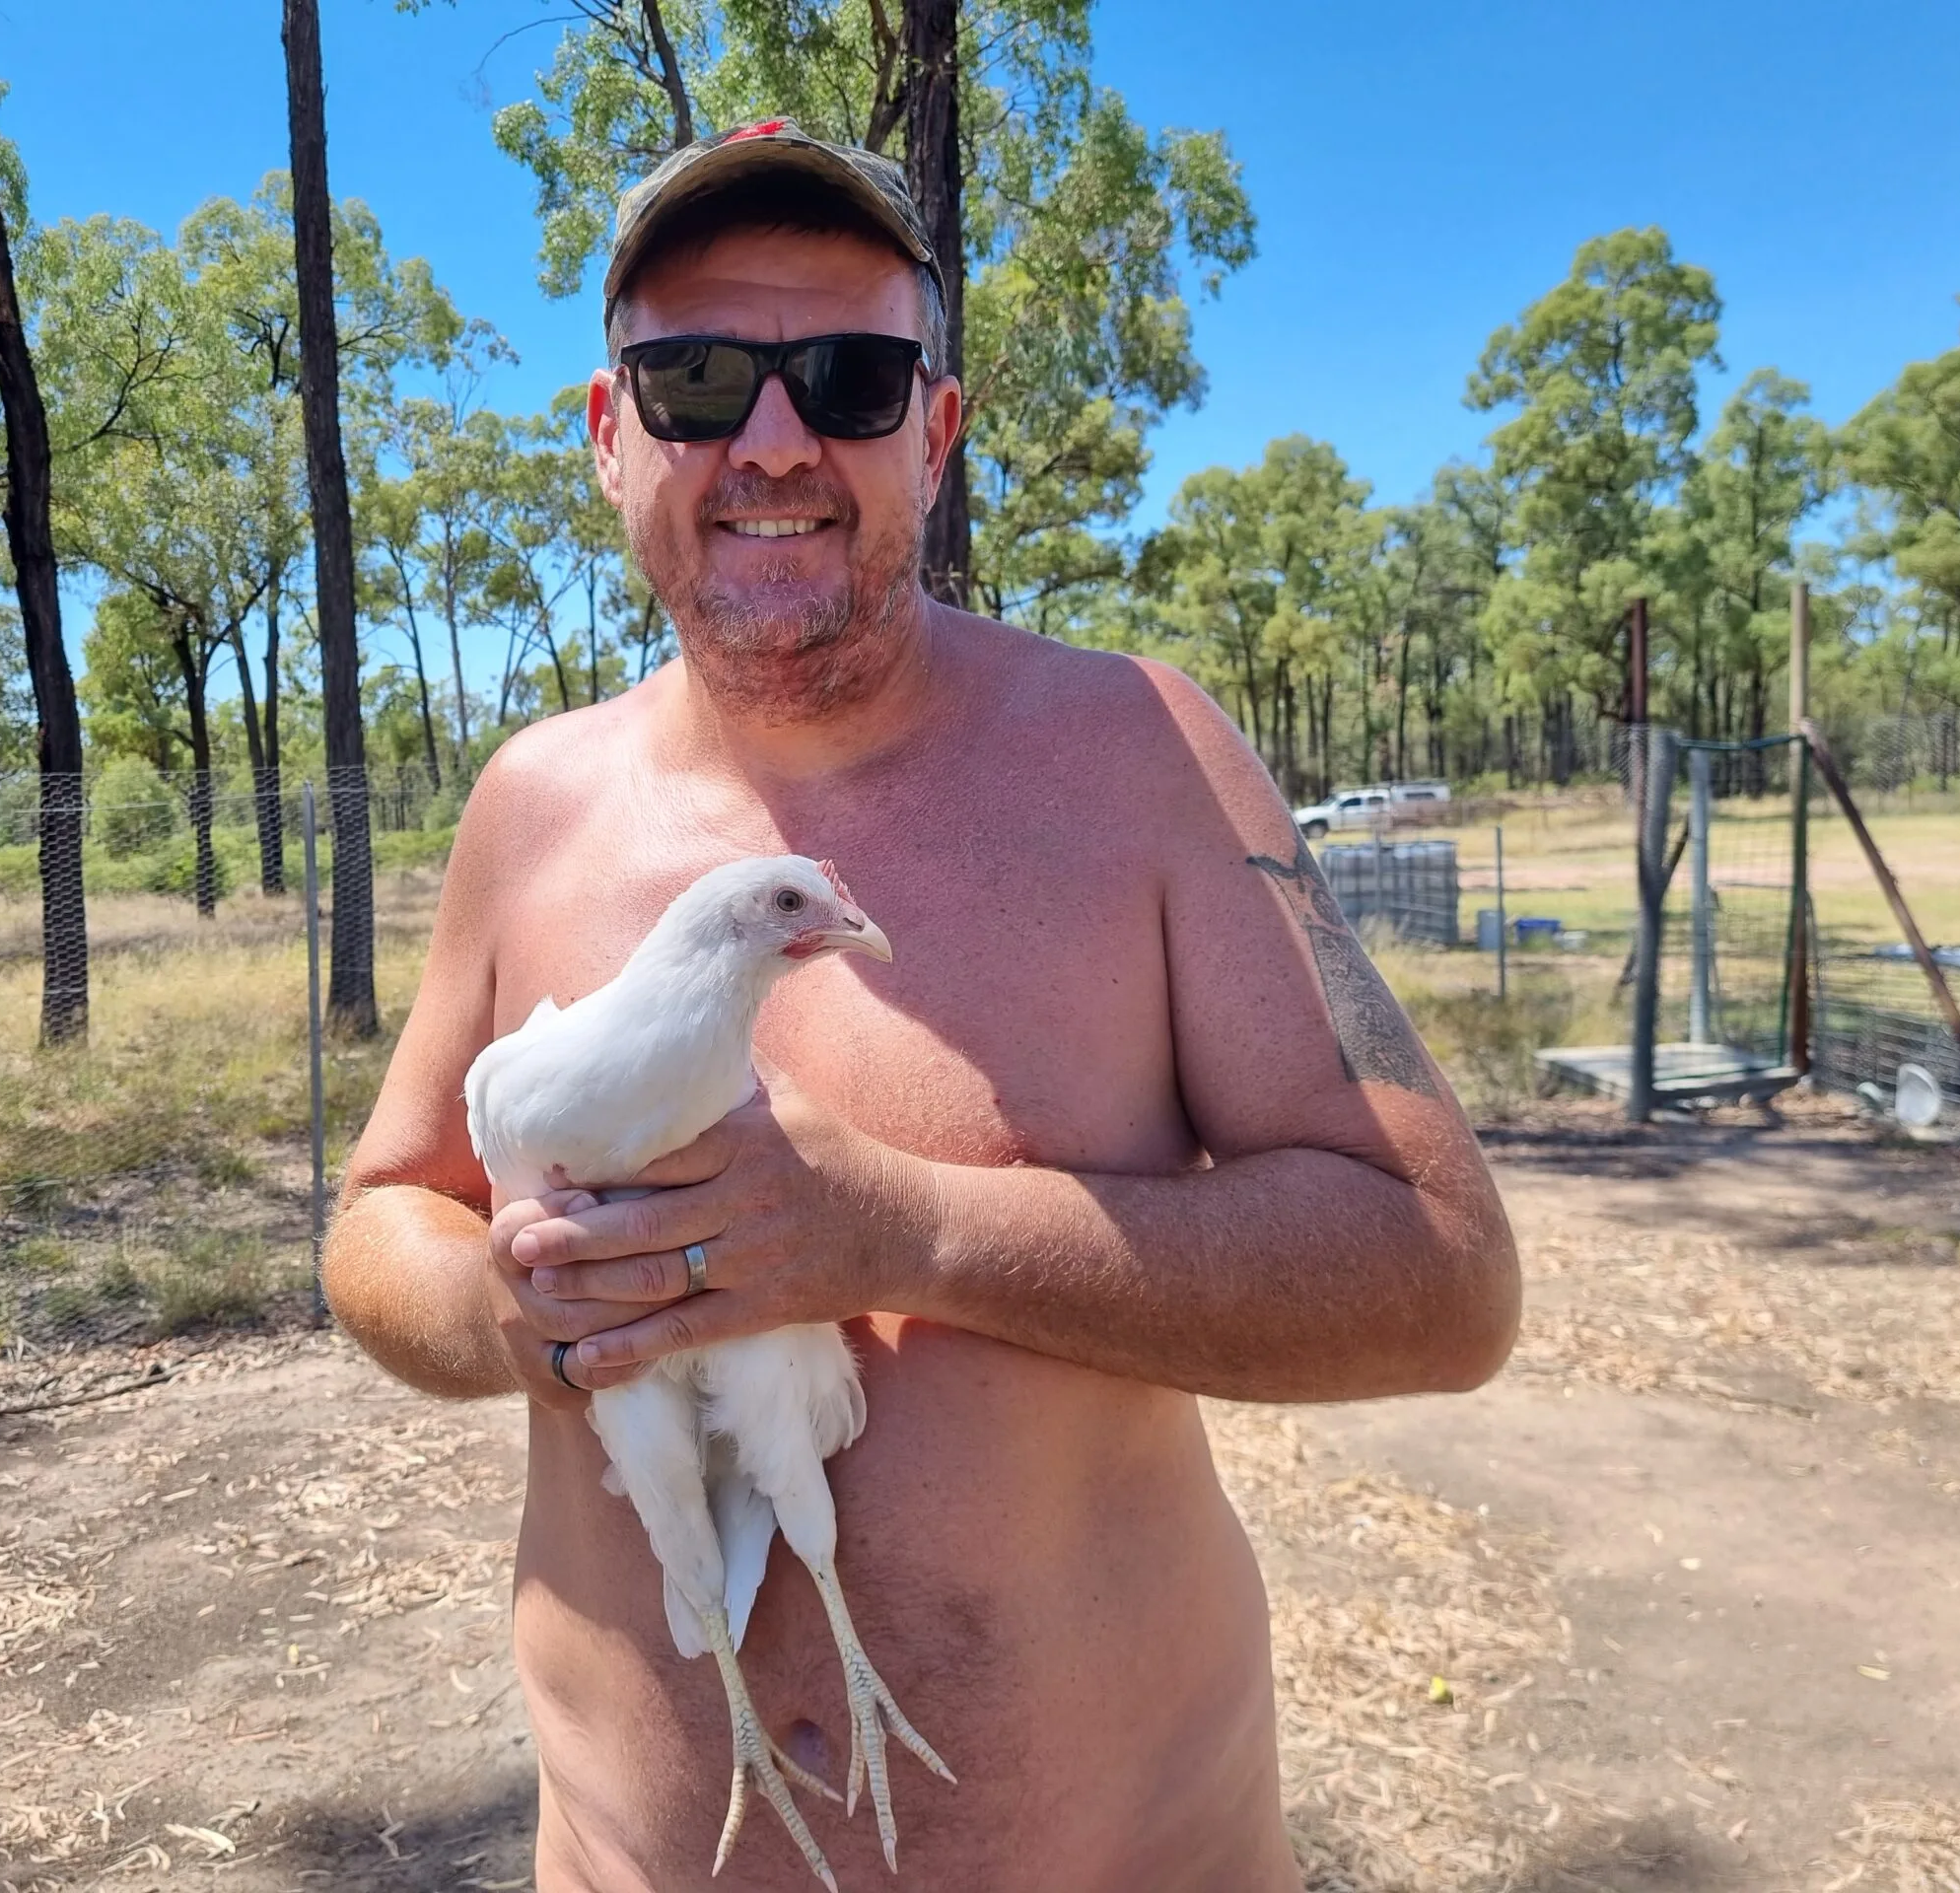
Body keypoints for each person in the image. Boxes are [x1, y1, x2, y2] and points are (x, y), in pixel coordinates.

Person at [323, 118, 1520, 1893]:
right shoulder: (531, 805)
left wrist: (903, 1229)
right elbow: (386, 1217)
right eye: (701, 377)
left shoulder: (1140, 756)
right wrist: (511, 1317)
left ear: (935, 435)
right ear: (608, 433)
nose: (776, 438)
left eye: (855, 379)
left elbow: (1439, 1279)